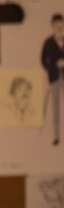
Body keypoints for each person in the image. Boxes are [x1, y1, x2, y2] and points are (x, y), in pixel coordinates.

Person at [41, 12, 64, 145]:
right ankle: (56, 136)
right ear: (52, 26)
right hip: (54, 78)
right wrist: (52, 67)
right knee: (55, 108)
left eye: (60, 25)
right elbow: (43, 60)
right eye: (56, 25)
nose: (59, 28)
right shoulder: (48, 42)